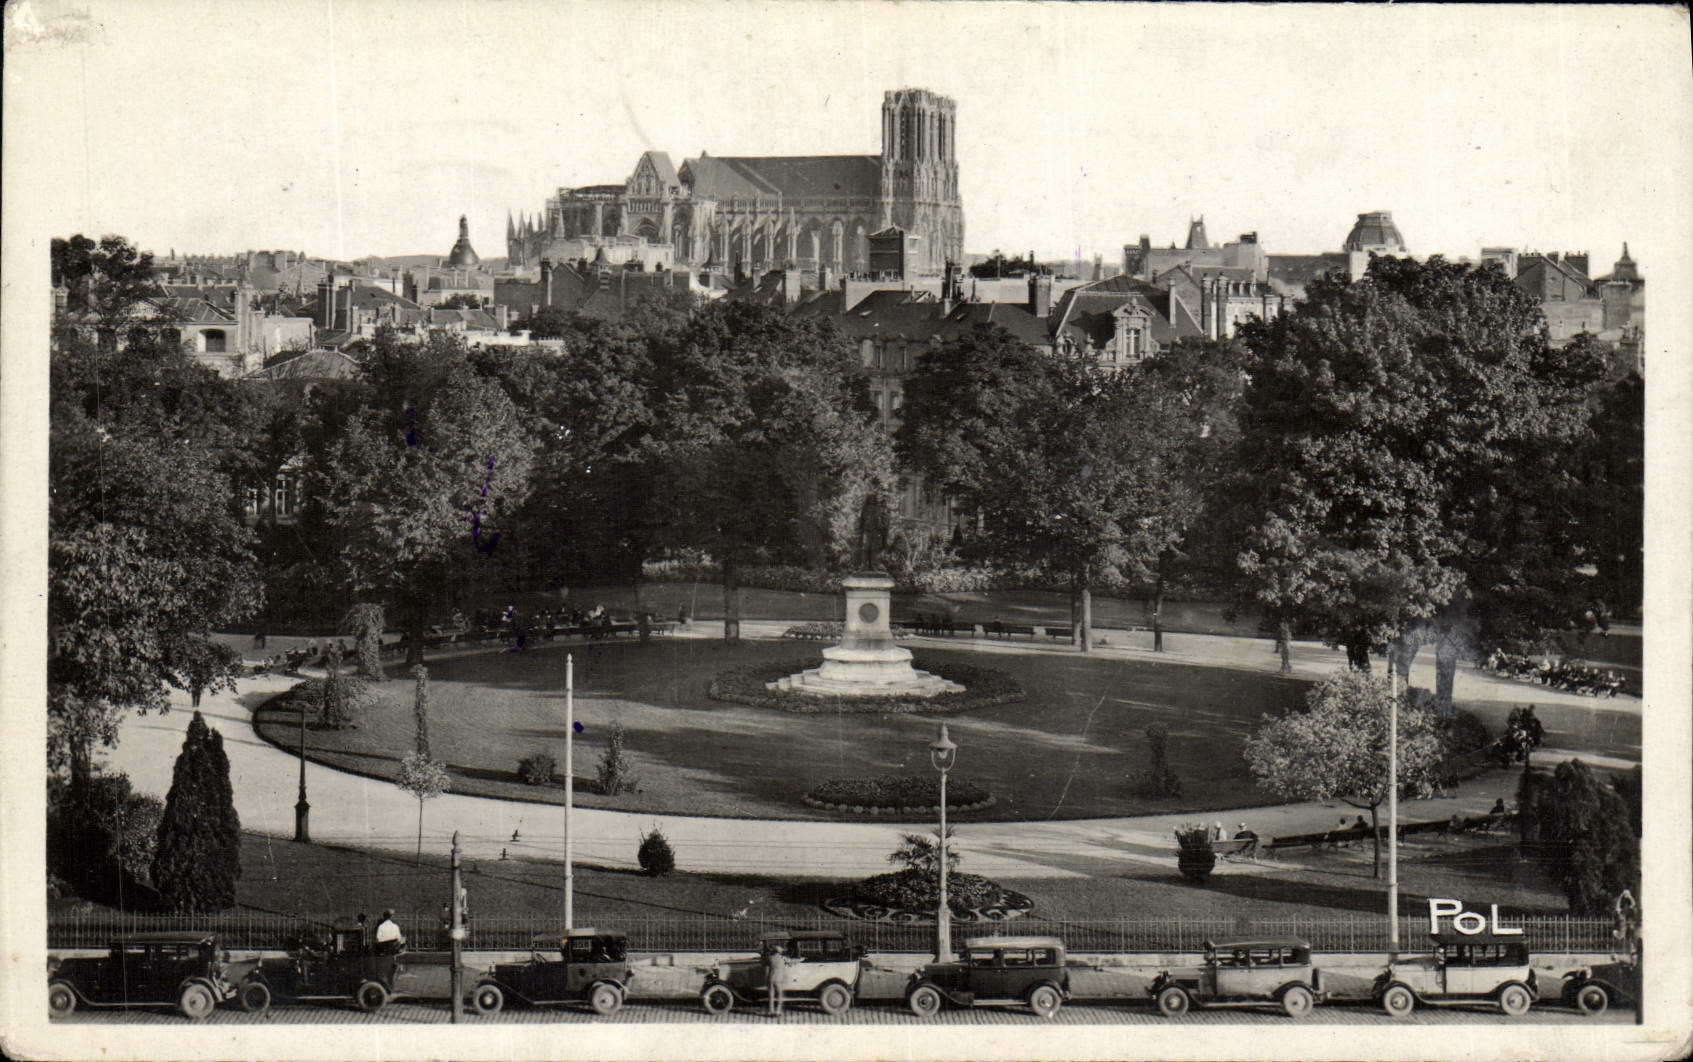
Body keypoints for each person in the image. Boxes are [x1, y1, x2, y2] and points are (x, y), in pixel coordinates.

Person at [765, 941, 789, 1017]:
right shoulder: (783, 958)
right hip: (779, 979)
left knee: (771, 995)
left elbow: (766, 968)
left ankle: (770, 1011)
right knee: (780, 995)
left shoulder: (770, 958)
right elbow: (790, 962)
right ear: (780, 952)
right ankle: (778, 1011)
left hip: (771, 978)